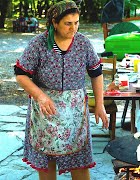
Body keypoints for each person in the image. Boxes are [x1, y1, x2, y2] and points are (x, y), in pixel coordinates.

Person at [14, 1, 108, 179]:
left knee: (79, 162)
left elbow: (96, 73)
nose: (74, 28)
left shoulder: (83, 43)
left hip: (75, 112)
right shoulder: (38, 44)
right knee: (47, 163)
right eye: (68, 23)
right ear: (54, 23)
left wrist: (100, 105)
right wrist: (40, 96)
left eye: (77, 22)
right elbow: (21, 74)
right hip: (45, 112)